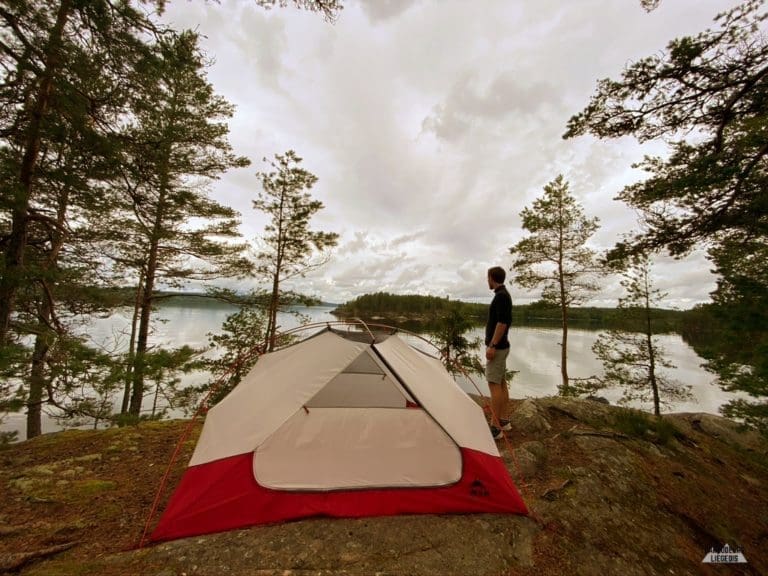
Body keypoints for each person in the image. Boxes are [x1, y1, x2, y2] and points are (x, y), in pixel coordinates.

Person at [485, 266, 512, 440]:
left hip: (498, 347)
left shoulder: (501, 296)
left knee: (493, 384)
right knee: (501, 383)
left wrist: (492, 345)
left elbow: (502, 324)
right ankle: (504, 420)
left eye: (487, 278)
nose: (487, 281)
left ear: (492, 278)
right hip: (502, 347)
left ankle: (495, 428)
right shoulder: (503, 295)